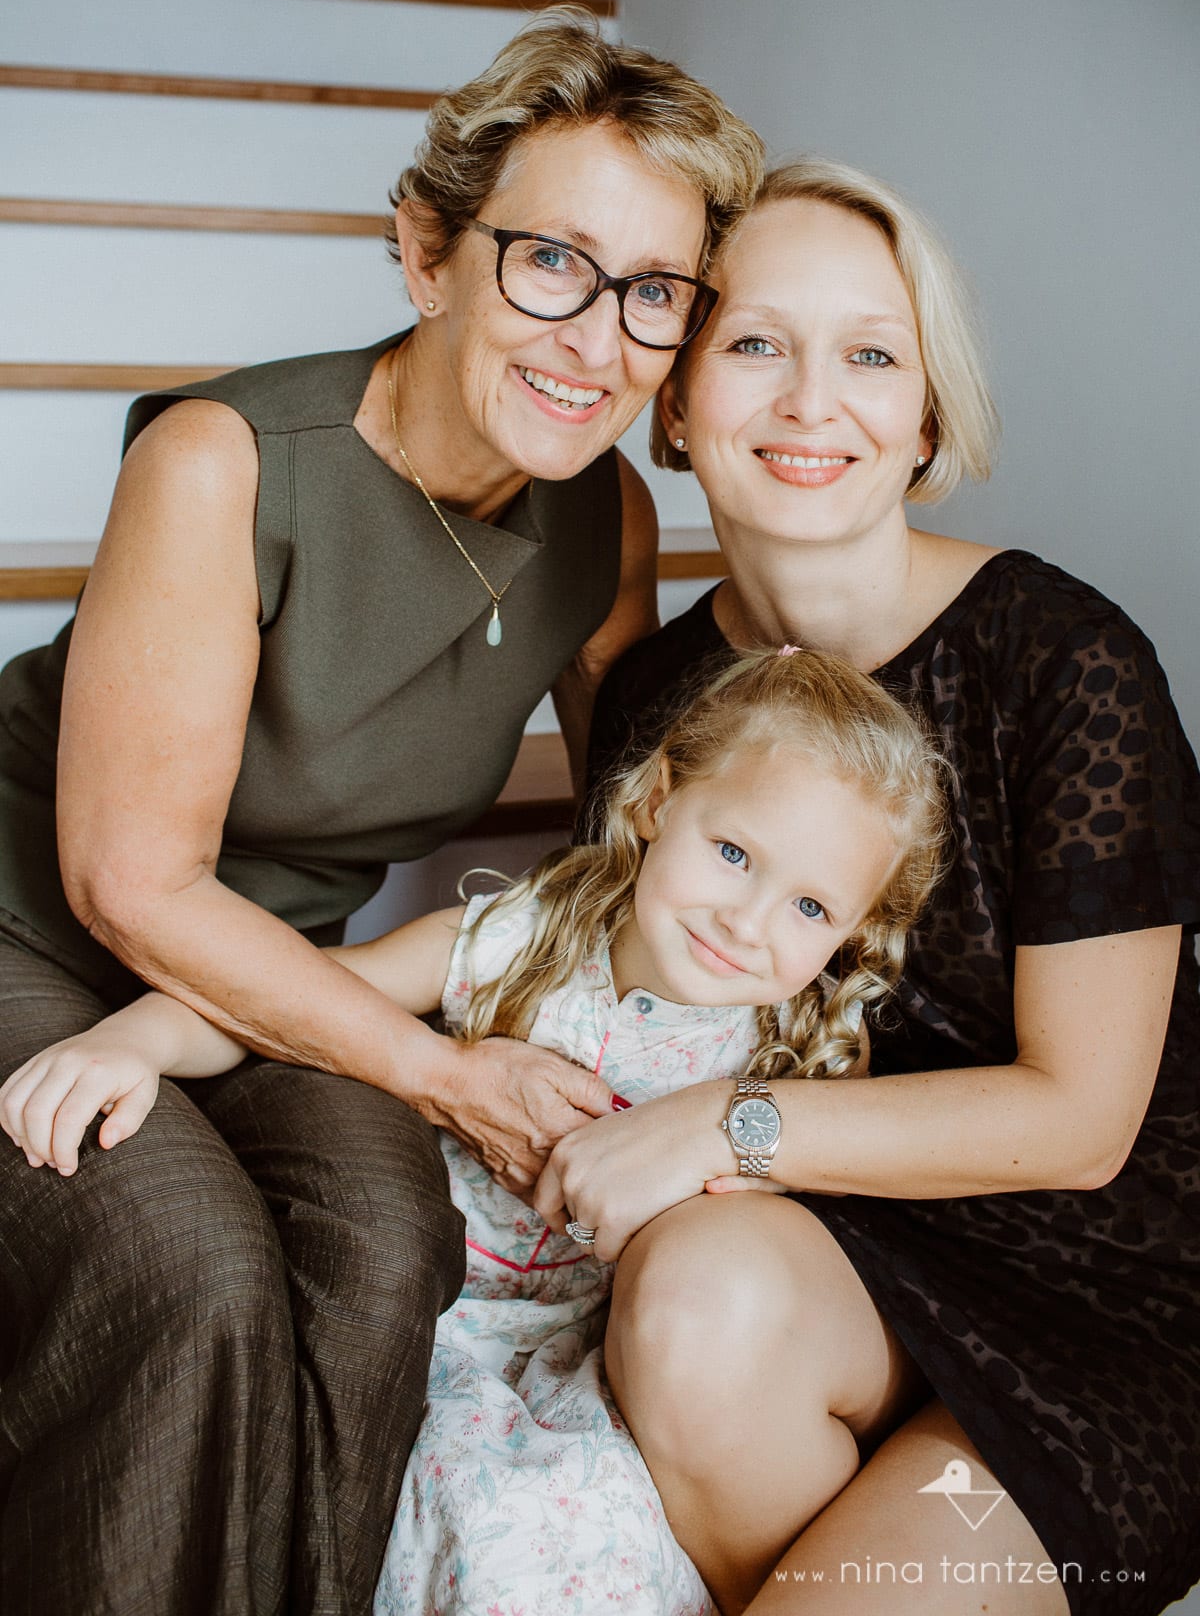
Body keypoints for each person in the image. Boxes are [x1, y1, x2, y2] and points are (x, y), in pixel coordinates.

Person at [0, 10, 763, 1615]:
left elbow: (648, 806)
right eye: (548, 260)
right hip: (35, 917)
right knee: (185, 1272)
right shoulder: (222, 461)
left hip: (259, 960)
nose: (595, 340)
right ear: (427, 252)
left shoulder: (605, 516)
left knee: (392, 1245)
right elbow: (130, 882)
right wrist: (440, 1063)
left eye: (652, 295)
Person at [2, 647, 948, 1616]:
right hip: (440, 1324)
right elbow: (298, 1000)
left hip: (600, 1362)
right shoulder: (524, 942)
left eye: (809, 907)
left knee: (575, 1548)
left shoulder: (799, 1051)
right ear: (662, 801)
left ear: (852, 936)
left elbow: (814, 1242)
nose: (748, 922)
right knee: (401, 1508)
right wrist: (136, 1042)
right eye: (735, 853)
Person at [574, 159, 1200, 1616]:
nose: (810, 402)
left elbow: (1082, 1121)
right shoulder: (659, 702)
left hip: (1115, 1286)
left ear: (924, 415)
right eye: (754, 346)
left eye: (869, 353)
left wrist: (717, 1126)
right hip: (844, 1249)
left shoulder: (1067, 662)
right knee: (688, 1300)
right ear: (676, 399)